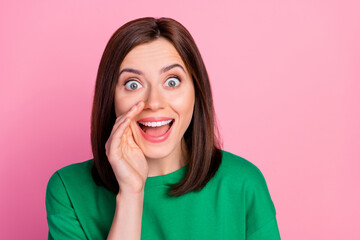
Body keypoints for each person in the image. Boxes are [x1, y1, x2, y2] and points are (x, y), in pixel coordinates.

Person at [45, 17, 281, 240]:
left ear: (196, 92)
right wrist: (131, 195)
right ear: (111, 98)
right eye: (133, 84)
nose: (154, 103)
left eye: (172, 81)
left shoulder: (242, 183)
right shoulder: (69, 190)